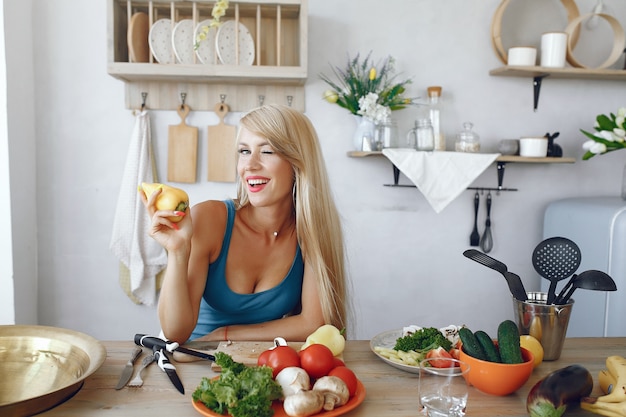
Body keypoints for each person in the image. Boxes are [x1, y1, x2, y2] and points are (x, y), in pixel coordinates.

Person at [141, 104, 348, 344]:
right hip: (191, 360)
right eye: (244, 151)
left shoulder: (311, 230)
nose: (249, 165)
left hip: (256, 364)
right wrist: (177, 252)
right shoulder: (209, 219)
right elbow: (175, 333)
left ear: (298, 163)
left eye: (267, 152)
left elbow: (312, 324)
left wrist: (225, 335)